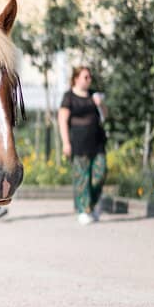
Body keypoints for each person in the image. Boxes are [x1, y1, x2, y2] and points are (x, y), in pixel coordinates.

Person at [58, 65, 107, 225]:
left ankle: (90, 205)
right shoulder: (69, 96)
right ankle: (83, 210)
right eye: (85, 77)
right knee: (82, 177)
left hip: (97, 141)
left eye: (90, 77)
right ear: (76, 78)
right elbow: (62, 120)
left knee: (100, 173)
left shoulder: (94, 95)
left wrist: (100, 104)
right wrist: (66, 142)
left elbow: (105, 116)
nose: (88, 80)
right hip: (78, 143)